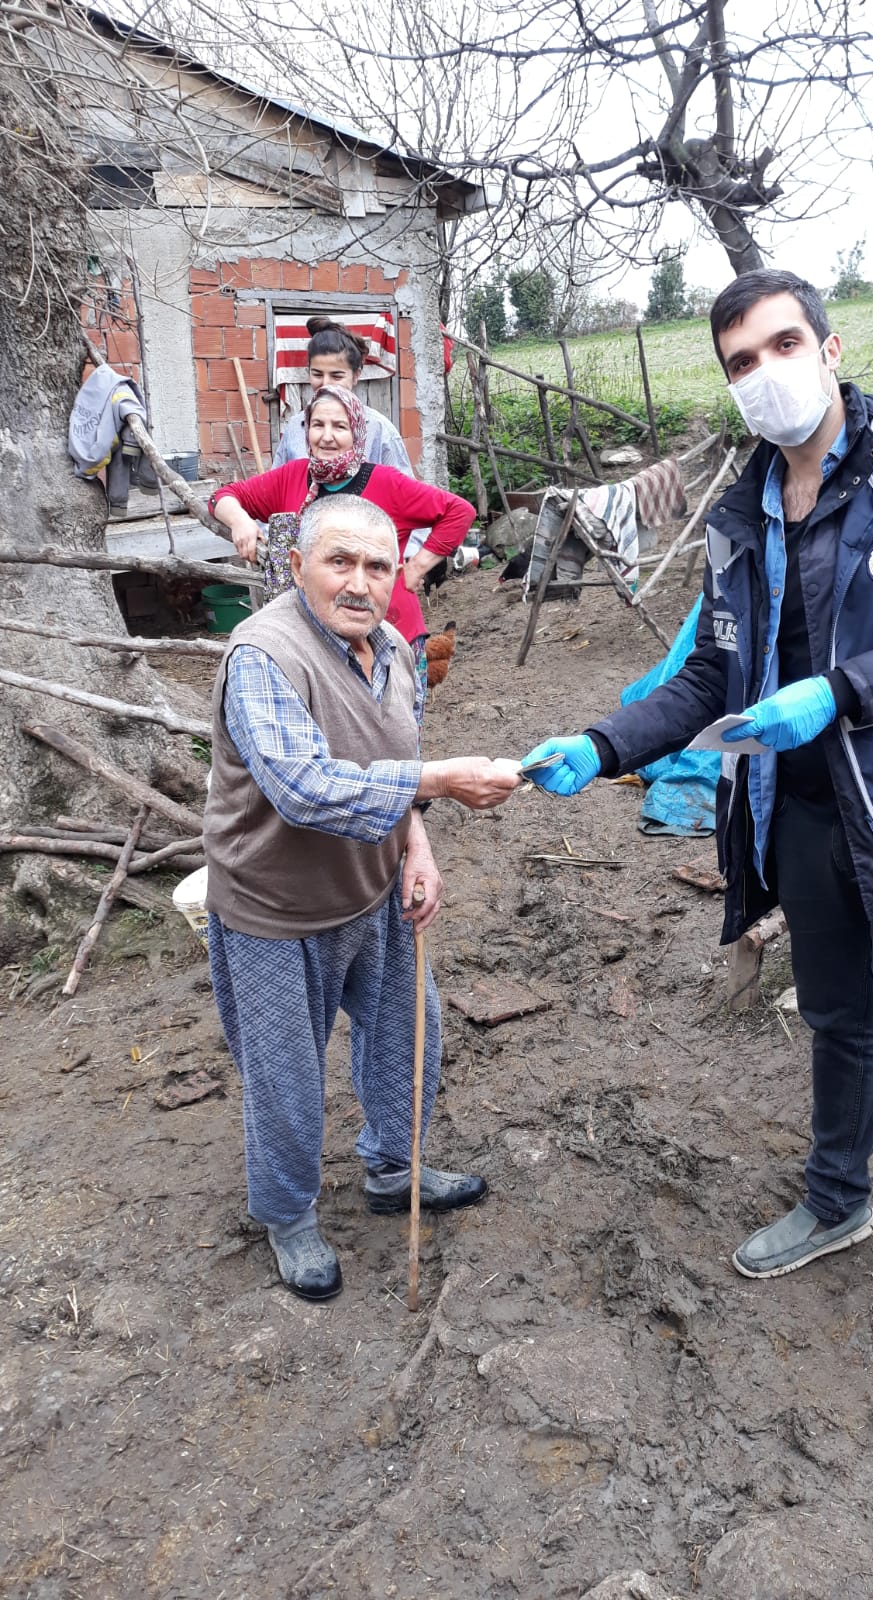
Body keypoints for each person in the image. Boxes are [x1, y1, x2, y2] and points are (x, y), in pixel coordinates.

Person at [522, 269, 873, 1353]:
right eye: (739, 363)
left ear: (830, 344)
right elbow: (713, 677)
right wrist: (605, 741)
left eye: (779, 345)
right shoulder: (739, 513)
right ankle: (838, 1196)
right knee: (835, 1019)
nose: (764, 373)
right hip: (801, 807)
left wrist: (841, 690)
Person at [204, 493, 521, 1300]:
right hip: (275, 912)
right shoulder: (263, 656)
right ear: (296, 564)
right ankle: (288, 1216)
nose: (360, 583)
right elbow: (304, 789)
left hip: (375, 893)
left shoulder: (393, 651)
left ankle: (391, 1169)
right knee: (285, 1080)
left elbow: (397, 759)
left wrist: (416, 842)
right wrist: (443, 781)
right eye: (339, 561)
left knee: (409, 1041)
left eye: (378, 566)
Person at [210, 386, 471, 687]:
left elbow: (458, 511)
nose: (327, 436)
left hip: (388, 634)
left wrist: (417, 566)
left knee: (394, 729)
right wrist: (240, 520)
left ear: (357, 433)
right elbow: (223, 496)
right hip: (316, 641)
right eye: (318, 425)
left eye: (340, 426)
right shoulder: (291, 477)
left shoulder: (386, 483)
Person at [273, 316, 414, 474]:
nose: (326, 384)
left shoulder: (379, 430)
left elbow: (404, 493)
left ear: (356, 375)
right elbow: (276, 488)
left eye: (337, 376)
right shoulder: (295, 427)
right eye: (317, 374)